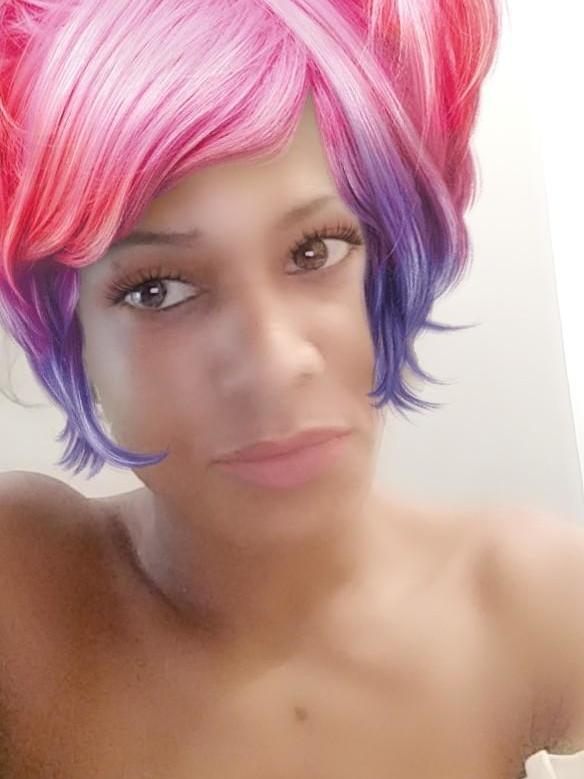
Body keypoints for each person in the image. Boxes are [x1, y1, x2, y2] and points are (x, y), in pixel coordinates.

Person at [1, 0, 584, 777]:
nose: (273, 362)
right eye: (158, 290)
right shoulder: (24, 598)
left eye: (316, 251)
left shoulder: (531, 600)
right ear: (72, 335)